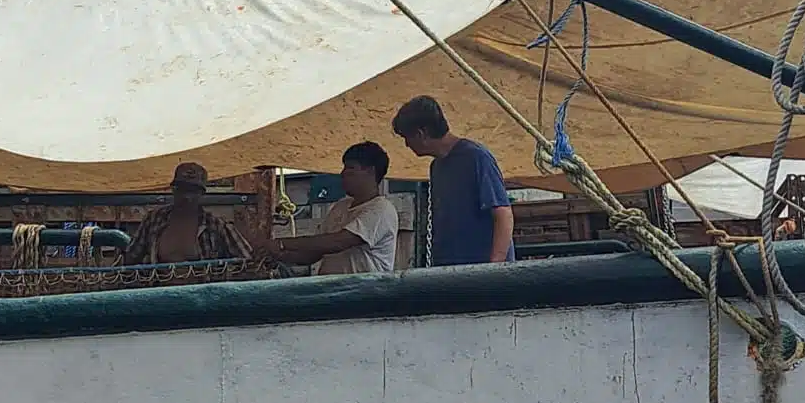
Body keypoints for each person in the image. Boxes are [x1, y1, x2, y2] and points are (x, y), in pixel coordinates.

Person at [391, 95, 515, 266]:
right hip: (451, 271)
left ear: (422, 134)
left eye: (407, 138)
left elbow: (503, 214)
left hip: (481, 272)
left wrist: (495, 267)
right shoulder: (436, 167)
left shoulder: (476, 157)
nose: (406, 145)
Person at [256, 142, 399, 274]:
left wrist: (282, 243)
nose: (343, 173)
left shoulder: (381, 209)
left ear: (370, 171)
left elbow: (339, 242)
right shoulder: (340, 206)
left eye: (350, 168)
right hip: (333, 293)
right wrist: (280, 255)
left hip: (364, 296)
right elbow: (313, 254)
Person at [121, 162, 254, 265]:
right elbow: (129, 260)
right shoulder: (153, 220)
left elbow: (248, 261)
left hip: (204, 296)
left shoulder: (217, 225)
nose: (186, 197)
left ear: (202, 194)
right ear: (173, 190)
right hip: (160, 294)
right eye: (182, 190)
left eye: (192, 191)